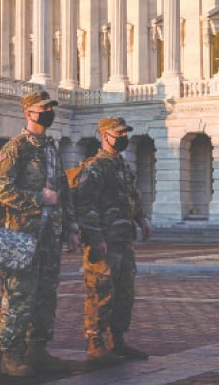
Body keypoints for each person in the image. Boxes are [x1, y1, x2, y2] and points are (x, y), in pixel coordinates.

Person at [0, 90, 80, 377]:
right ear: (28, 112)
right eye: (43, 108)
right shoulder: (15, 149)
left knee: (45, 295)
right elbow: (0, 189)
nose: (48, 113)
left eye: (49, 108)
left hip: (49, 236)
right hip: (22, 237)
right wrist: (37, 199)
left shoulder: (50, 149)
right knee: (19, 296)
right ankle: (11, 354)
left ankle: (38, 349)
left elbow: (63, 192)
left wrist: (71, 228)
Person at [75, 116, 151, 362]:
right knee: (100, 291)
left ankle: (117, 340)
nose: (122, 138)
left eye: (124, 133)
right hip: (104, 240)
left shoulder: (122, 166)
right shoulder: (94, 167)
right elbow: (85, 206)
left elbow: (133, 196)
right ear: (104, 136)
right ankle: (94, 341)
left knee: (124, 292)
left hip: (123, 238)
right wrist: (95, 237)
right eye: (118, 134)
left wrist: (142, 219)